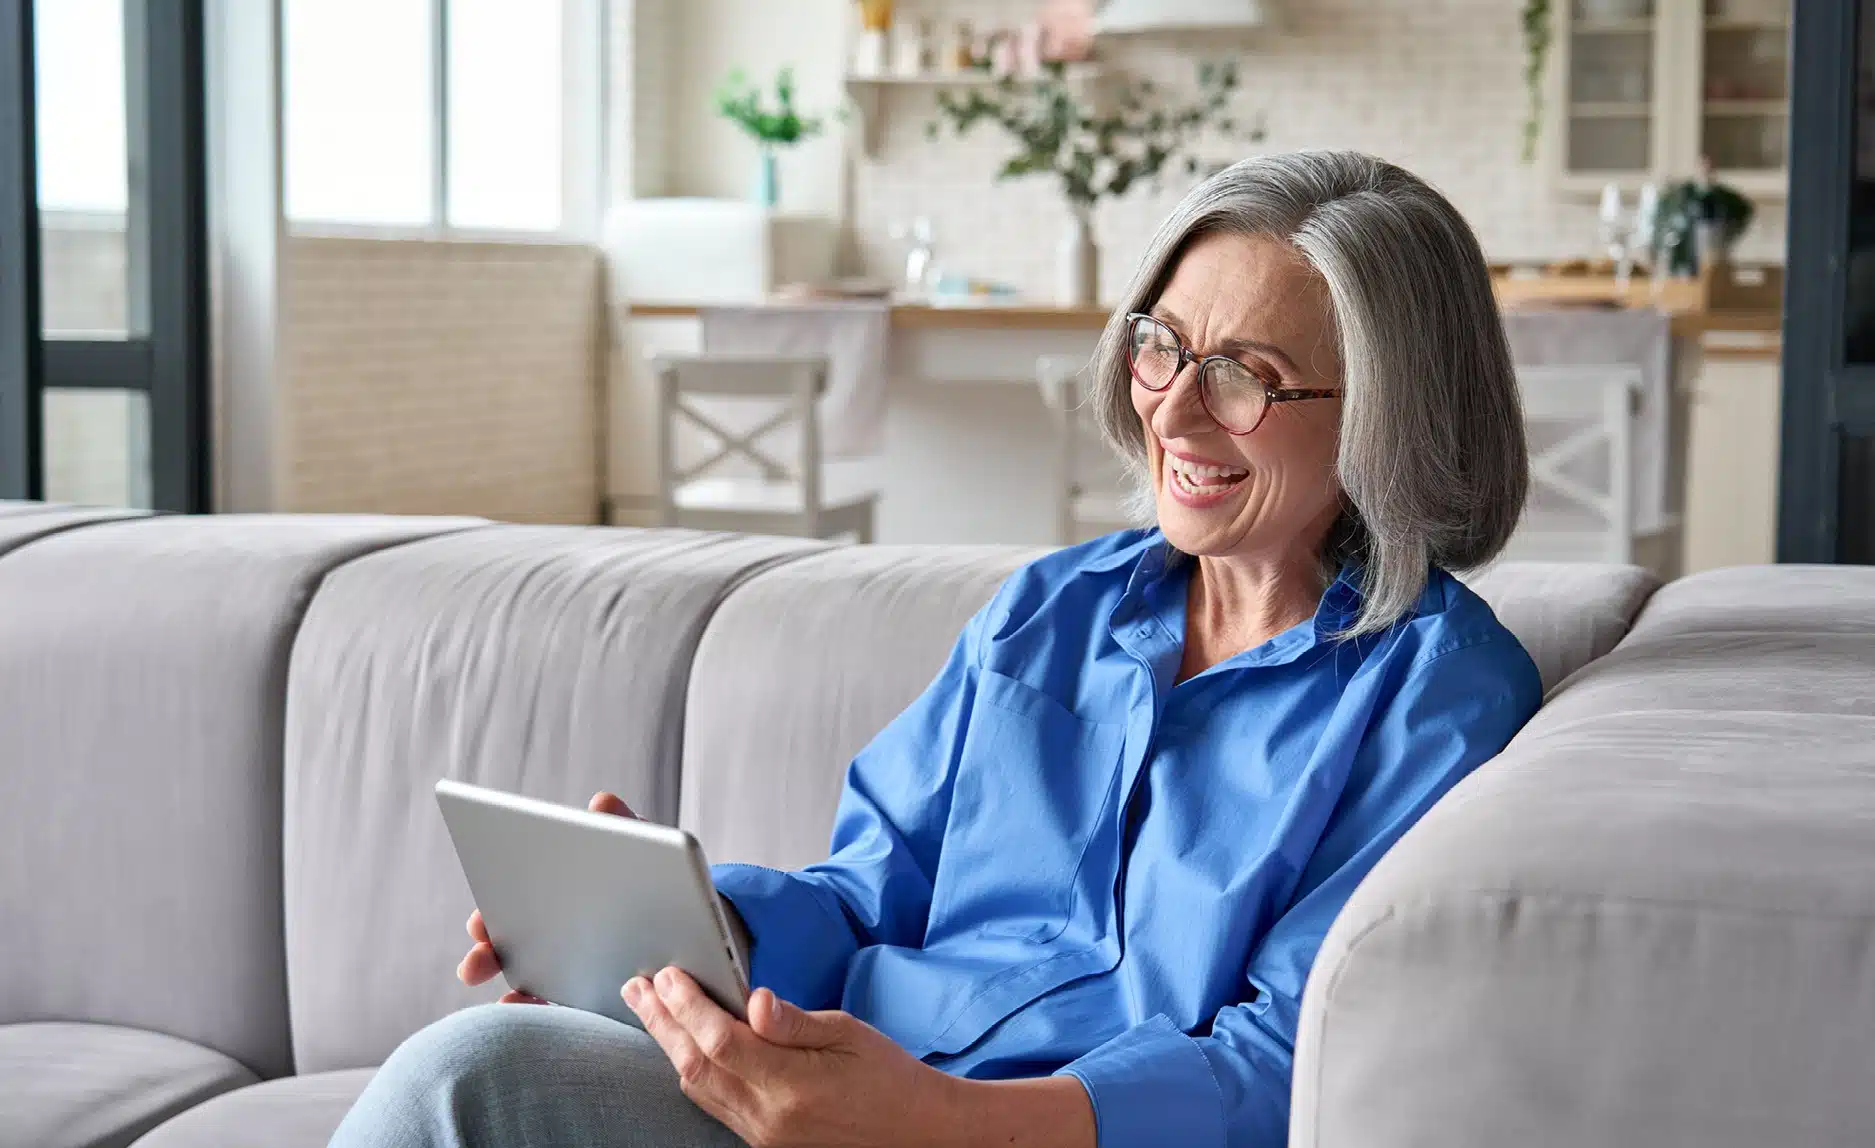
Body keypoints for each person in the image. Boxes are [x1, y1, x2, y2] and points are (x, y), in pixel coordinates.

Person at [330, 149, 1542, 1148]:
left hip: (1012, 1131)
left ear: (1387, 413)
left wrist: (943, 1121)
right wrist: (689, 930)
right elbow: (869, 890)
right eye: (1162, 344)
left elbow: (1294, 1052)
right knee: (490, 1064)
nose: (1172, 409)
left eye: (1245, 378)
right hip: (835, 1098)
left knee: (471, 1079)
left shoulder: (1439, 694)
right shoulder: (1049, 611)